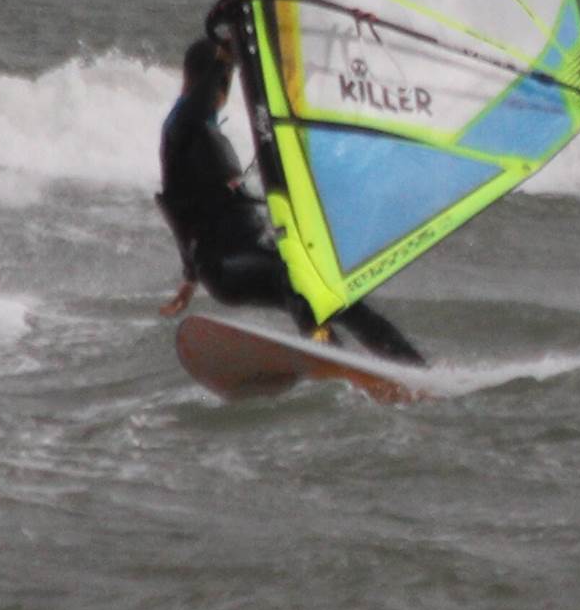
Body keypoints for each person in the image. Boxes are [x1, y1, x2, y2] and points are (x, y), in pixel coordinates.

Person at [155, 33, 425, 366]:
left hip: (250, 251)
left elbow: (178, 208)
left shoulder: (200, 131)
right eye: (225, 78)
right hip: (225, 265)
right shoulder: (183, 125)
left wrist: (188, 280)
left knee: (333, 295)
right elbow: (178, 208)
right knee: (294, 283)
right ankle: (335, 362)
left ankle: (413, 369)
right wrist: (227, 55)